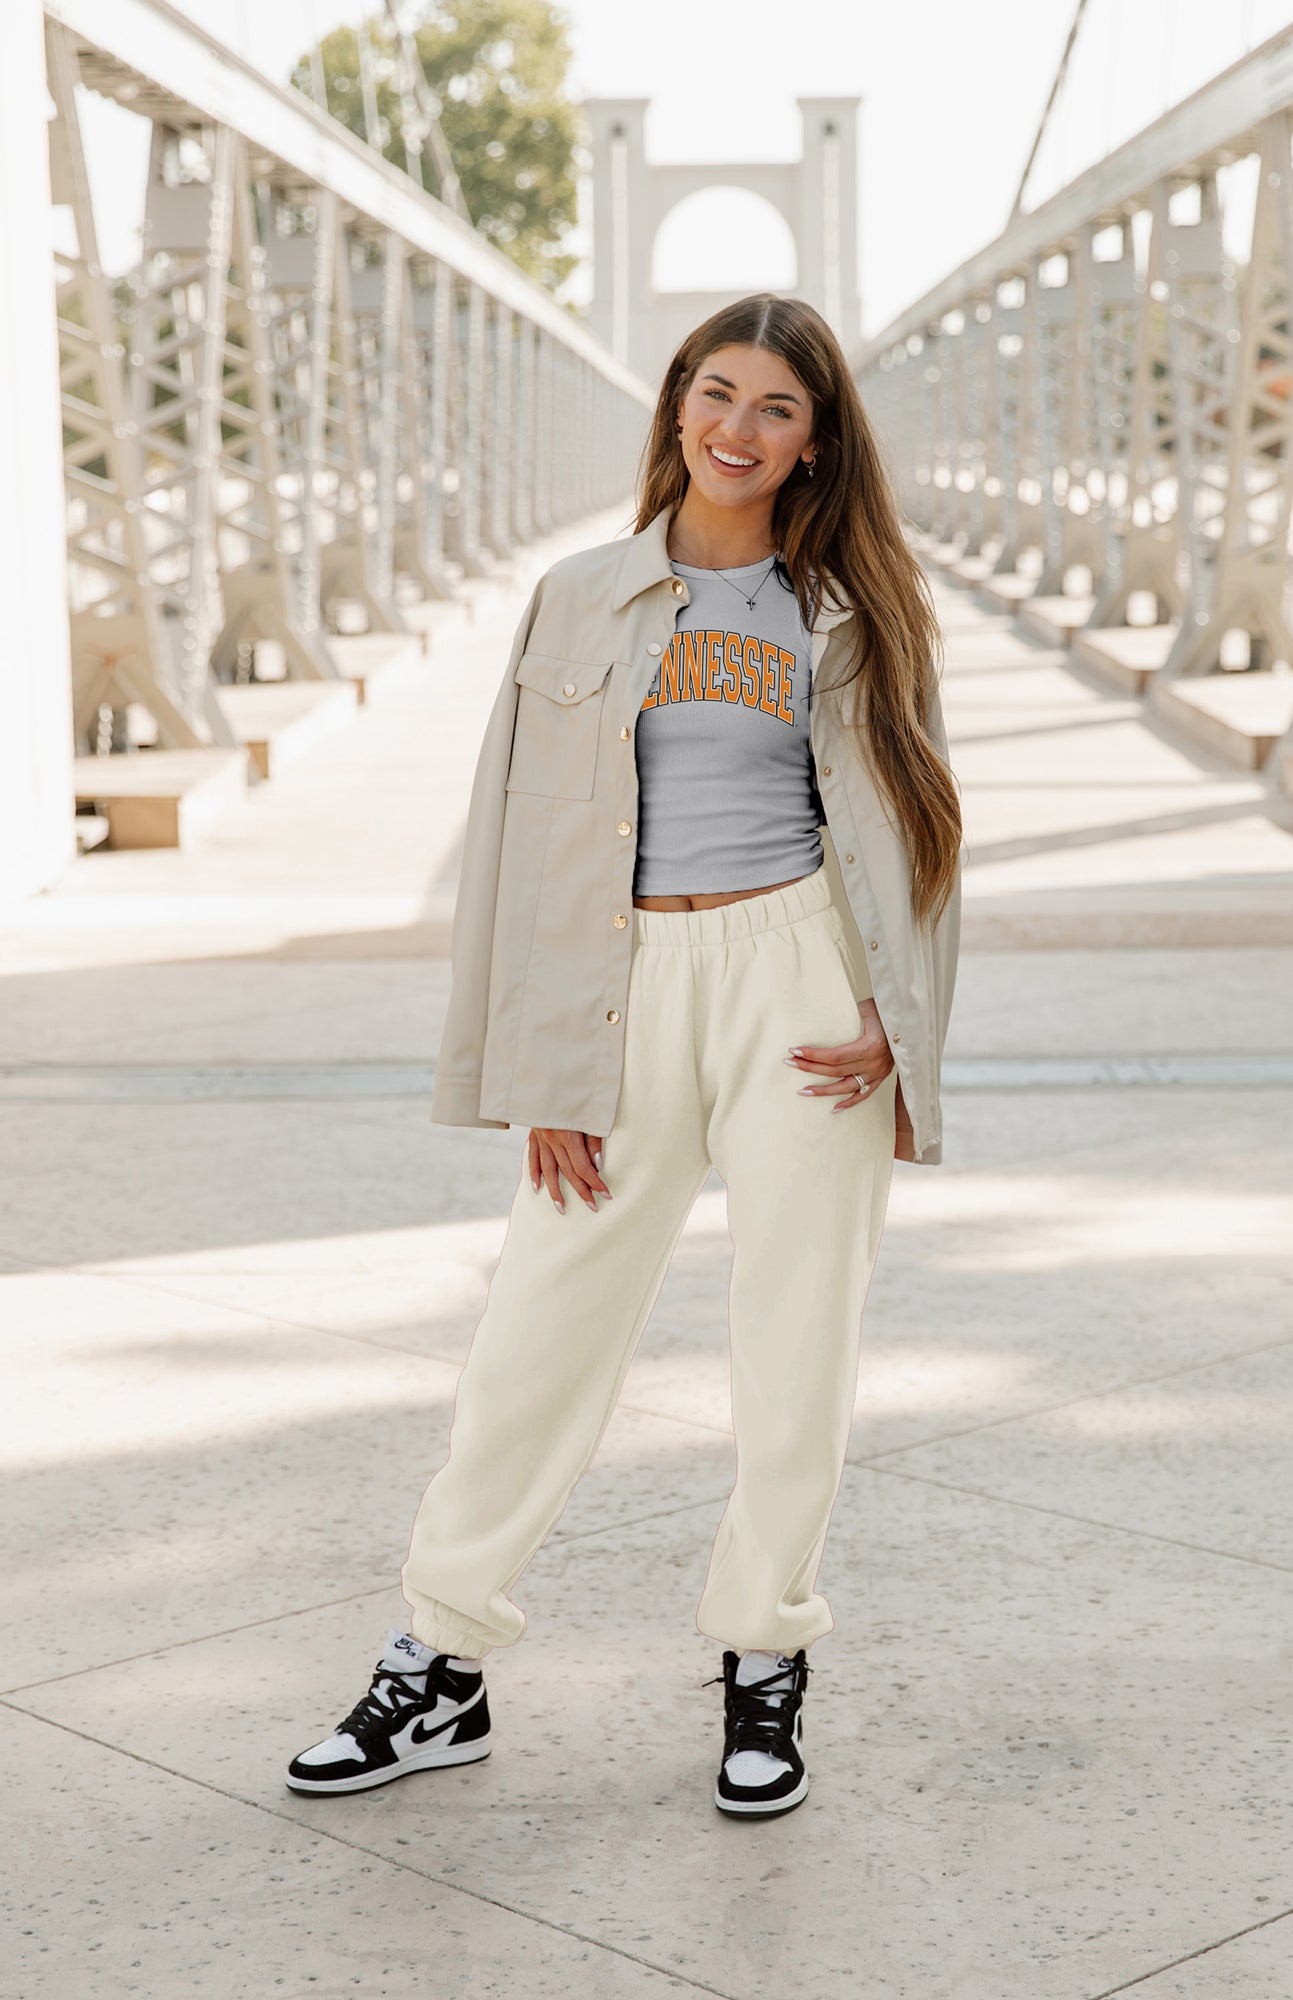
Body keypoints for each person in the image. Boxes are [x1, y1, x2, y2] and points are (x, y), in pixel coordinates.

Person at [287, 292, 963, 1820]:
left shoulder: (854, 605)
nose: (737, 427)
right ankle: (441, 1659)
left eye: (775, 407)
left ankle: (763, 1656)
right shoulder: (579, 595)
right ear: (674, 405)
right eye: (715, 393)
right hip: (622, 985)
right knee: (539, 1327)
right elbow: (519, 839)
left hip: (800, 981)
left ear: (814, 442)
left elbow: (921, 826)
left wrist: (894, 1018)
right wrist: (538, 1065)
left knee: (796, 1341)